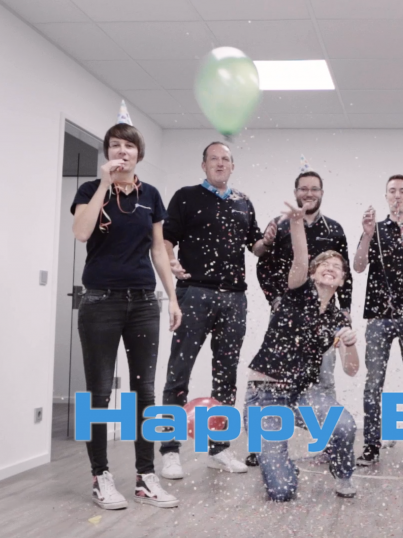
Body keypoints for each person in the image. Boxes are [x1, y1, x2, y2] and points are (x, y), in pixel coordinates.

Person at [71, 121, 181, 510]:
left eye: (129, 146)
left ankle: (145, 477)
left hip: (144, 304)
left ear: (139, 153)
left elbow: (158, 250)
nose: (122, 151)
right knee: (99, 393)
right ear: (107, 152)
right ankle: (100, 476)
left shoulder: (150, 195)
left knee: (144, 392)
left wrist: (172, 297)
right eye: (116, 145)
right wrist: (104, 183)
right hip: (100, 302)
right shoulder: (89, 190)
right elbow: (81, 232)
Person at [158, 141, 272, 480]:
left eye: (225, 159)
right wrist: (171, 261)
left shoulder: (243, 202)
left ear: (232, 166)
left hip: (234, 298)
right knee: (179, 371)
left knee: (226, 375)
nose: (220, 164)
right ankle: (169, 450)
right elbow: (165, 238)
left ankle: (219, 448)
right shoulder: (185, 197)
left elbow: (256, 247)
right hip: (194, 293)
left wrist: (268, 239)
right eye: (213, 159)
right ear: (204, 165)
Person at [244, 201, 360, 501]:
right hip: (265, 394)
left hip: (302, 393)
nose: (331, 268)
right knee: (282, 491)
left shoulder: (337, 319)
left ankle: (343, 474)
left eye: (337, 267)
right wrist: (297, 223)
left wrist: (350, 345)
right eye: (324, 265)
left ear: (342, 280)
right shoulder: (298, 291)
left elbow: (351, 369)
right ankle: (281, 468)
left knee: (344, 424)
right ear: (313, 273)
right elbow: (299, 258)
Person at [353, 175, 403, 467]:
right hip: (379, 317)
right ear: (386, 195)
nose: (397, 195)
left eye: (402, 191)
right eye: (392, 191)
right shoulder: (374, 229)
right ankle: (371, 445)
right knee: (373, 382)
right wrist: (366, 234)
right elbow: (358, 266)